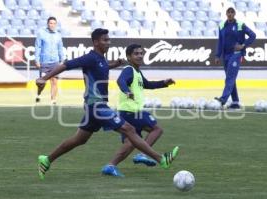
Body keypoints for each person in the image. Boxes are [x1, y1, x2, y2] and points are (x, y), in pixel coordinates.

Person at [36, 28, 179, 180]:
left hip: (94, 106)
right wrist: (44, 78)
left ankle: (46, 160)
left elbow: (101, 67)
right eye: (105, 40)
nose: (108, 42)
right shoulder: (90, 58)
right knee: (129, 129)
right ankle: (161, 159)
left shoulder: (101, 59)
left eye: (109, 39)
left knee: (79, 140)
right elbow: (66, 64)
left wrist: (114, 64)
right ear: (96, 42)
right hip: (96, 105)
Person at [101, 44, 175, 177]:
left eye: (141, 53)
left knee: (130, 143)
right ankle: (142, 154)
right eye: (136, 54)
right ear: (129, 57)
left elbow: (148, 85)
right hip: (132, 111)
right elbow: (120, 80)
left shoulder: (137, 72)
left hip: (127, 112)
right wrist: (127, 91)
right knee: (156, 129)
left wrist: (164, 83)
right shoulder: (129, 69)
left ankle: (110, 166)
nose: (140, 56)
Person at [214, 7, 256, 109]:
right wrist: (217, 55)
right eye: (228, 12)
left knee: (230, 77)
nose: (230, 14)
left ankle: (223, 99)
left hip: (236, 54)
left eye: (232, 12)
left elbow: (253, 35)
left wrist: (243, 45)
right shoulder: (222, 26)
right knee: (231, 78)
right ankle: (235, 102)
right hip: (225, 55)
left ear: (235, 14)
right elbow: (220, 41)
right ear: (226, 14)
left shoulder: (240, 25)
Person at [35, 16, 65, 105]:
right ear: (48, 24)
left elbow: (60, 48)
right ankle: (38, 93)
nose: (52, 25)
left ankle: (53, 100)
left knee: (54, 81)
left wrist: (62, 60)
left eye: (54, 23)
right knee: (42, 82)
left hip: (55, 62)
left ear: (56, 24)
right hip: (44, 61)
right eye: (51, 23)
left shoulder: (58, 35)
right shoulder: (41, 33)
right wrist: (37, 60)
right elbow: (38, 47)